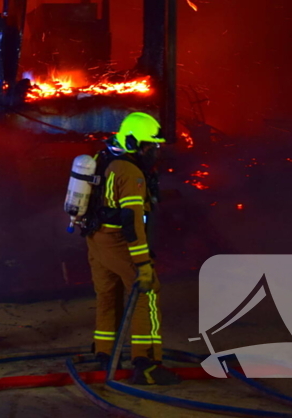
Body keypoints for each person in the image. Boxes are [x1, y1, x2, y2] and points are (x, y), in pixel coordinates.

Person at [85, 112, 180, 385]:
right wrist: (142, 263)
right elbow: (132, 220)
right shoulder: (129, 171)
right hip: (118, 242)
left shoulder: (101, 159)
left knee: (108, 294)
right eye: (151, 146)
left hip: (96, 239)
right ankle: (146, 363)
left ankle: (104, 354)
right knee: (146, 293)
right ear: (134, 142)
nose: (155, 151)